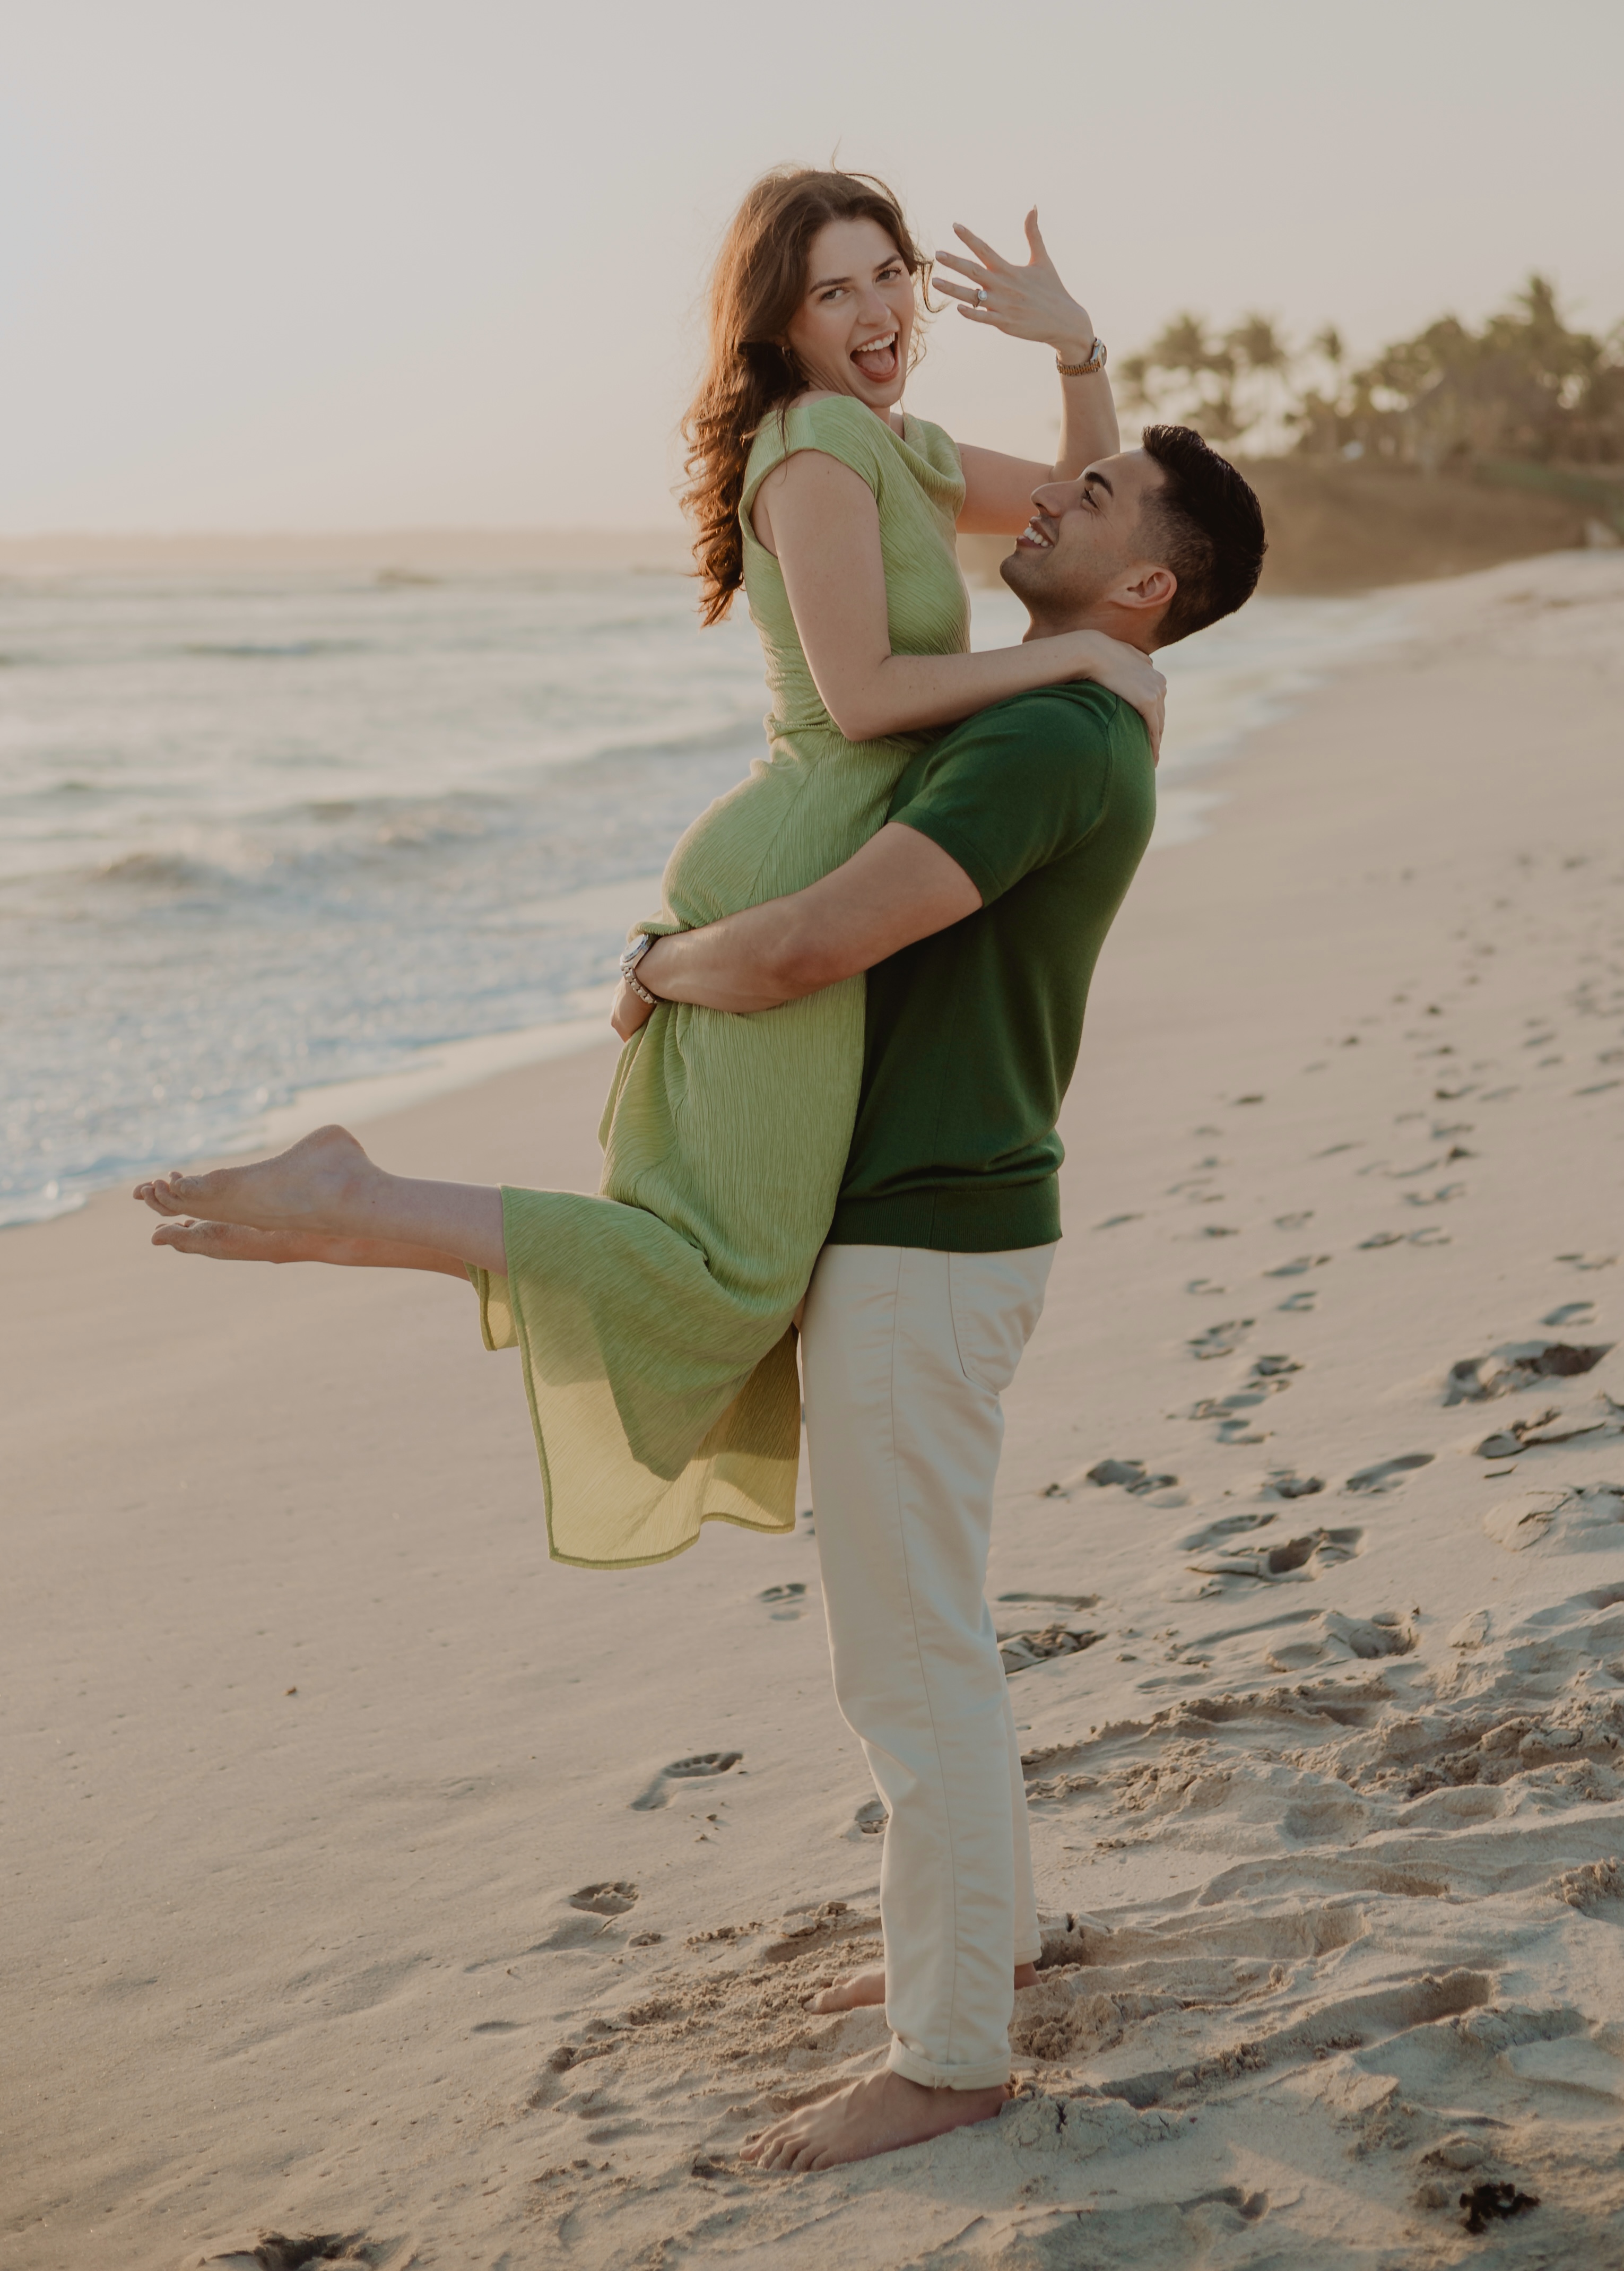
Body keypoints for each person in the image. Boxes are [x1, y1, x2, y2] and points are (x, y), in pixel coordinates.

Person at [138, 422, 1268, 2171]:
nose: (1055, 486)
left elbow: (819, 941)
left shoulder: (1048, 734)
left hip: (928, 1242)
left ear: (1144, 589)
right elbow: (1076, 590)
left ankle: (956, 2049)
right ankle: (990, 1940)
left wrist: (658, 968)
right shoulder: (1087, 703)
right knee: (933, 1633)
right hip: (945, 1229)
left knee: (910, 1665)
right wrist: (1072, 356)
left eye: (1098, 494)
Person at [136, 168, 1163, 1576]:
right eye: (833, 291)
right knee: (728, 1271)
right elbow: (864, 696)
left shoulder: (902, 445)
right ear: (783, 327)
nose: (875, 311)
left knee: (730, 1264)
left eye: (889, 275)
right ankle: (353, 1199)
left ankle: (355, 1208)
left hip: (833, 846)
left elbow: (1087, 522)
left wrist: (1077, 350)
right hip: (798, 851)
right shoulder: (811, 447)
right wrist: (1082, 655)